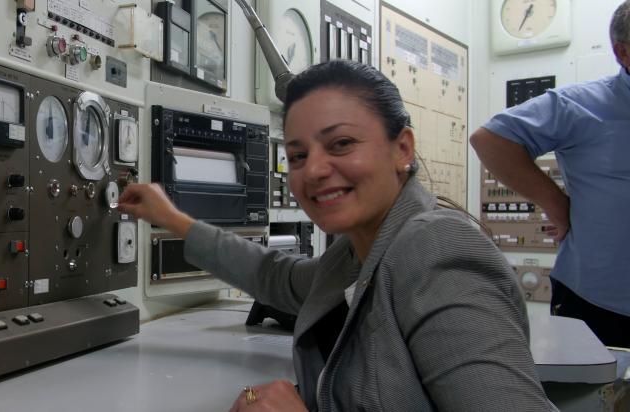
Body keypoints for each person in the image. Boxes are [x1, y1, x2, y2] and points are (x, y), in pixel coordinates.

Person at [118, 60, 553, 411]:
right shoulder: (356, 253)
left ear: (402, 148)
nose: (316, 170)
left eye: (341, 144)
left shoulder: (436, 249)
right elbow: (275, 276)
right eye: (299, 155)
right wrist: (173, 219)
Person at [471, 2, 630, 348]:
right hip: (598, 304)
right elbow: (490, 140)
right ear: (623, 52)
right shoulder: (582, 105)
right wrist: (556, 204)